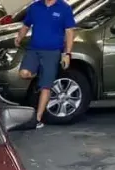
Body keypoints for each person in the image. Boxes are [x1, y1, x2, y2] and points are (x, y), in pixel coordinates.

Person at [14, 0, 75, 128]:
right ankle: (41, 77)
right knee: (24, 74)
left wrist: (67, 54)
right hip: (34, 50)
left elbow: (69, 32)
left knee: (46, 87)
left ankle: (38, 119)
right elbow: (26, 25)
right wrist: (19, 37)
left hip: (52, 52)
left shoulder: (64, 8)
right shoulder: (35, 7)